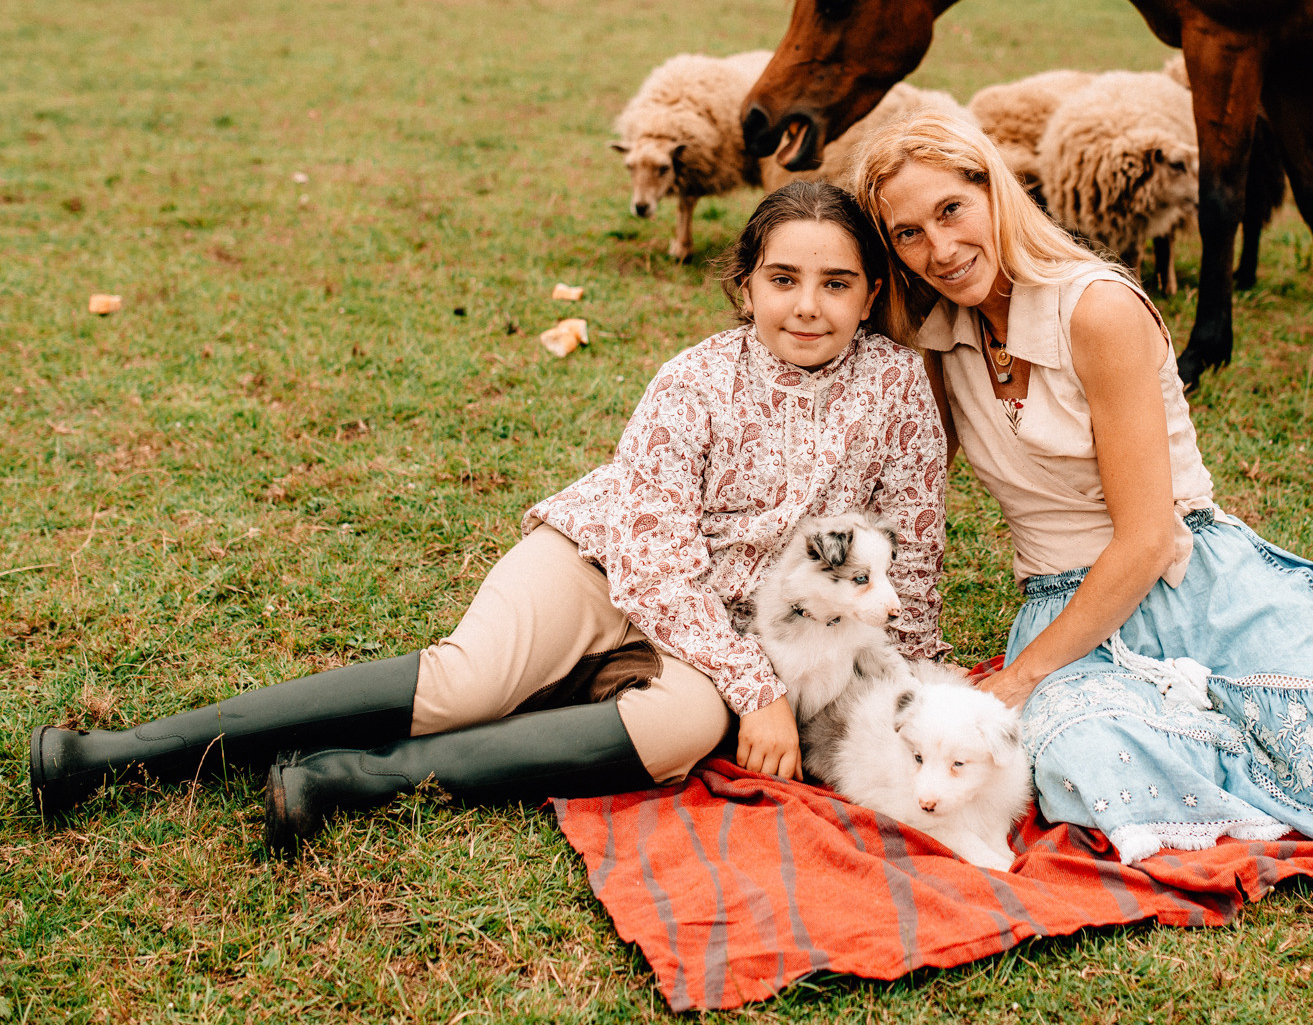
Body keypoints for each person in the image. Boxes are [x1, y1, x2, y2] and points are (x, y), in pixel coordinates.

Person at [30, 182, 948, 853]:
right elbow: (655, 553)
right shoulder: (696, 378)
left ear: (871, 296)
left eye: (836, 283)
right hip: (603, 561)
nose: (807, 305)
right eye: (783, 278)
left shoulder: (897, 387)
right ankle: (112, 756)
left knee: (679, 732)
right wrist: (755, 694)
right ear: (744, 285)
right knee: (472, 681)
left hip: (727, 627)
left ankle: (345, 779)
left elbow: (912, 548)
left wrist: (922, 684)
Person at [853, 114, 1313, 866]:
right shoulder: (936, 340)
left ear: (995, 193)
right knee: (1077, 761)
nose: (941, 249)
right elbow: (902, 490)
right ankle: (1229, 736)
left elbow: (1149, 537)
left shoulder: (1095, 309)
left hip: (1189, 582)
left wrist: (1018, 680)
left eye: (951, 211)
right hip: (1063, 603)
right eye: (908, 234)